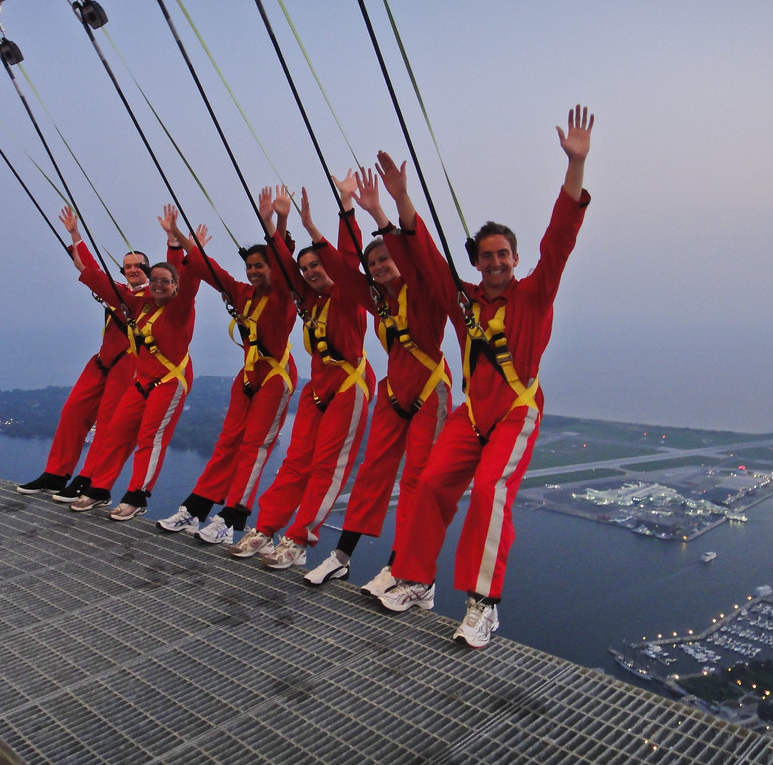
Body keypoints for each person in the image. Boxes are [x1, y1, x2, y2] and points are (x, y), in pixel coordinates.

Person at [377, 105, 594, 649]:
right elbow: (424, 257)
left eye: (503, 254)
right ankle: (416, 581)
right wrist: (401, 199)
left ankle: (482, 604)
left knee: (489, 492)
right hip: (473, 413)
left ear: (515, 258)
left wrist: (575, 167)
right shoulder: (464, 300)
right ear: (476, 263)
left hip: (516, 411)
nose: (496, 262)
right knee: (429, 485)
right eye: (487, 256)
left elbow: (560, 238)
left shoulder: (535, 293)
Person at [302, 168, 451, 593]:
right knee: (372, 474)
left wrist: (382, 210)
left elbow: (418, 254)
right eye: (374, 263)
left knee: (417, 481)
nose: (379, 267)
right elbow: (342, 266)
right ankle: (343, 557)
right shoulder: (376, 299)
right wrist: (334, 214)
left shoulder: (421, 290)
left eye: (386, 259)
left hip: (428, 390)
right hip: (393, 391)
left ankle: (402, 566)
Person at [227, 187, 376, 570]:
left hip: (348, 383)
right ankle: (265, 527)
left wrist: (332, 215)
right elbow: (281, 263)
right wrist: (276, 223)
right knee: (295, 461)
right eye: (306, 268)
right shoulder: (306, 299)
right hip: (317, 386)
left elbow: (346, 258)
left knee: (327, 466)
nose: (310, 272)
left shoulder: (347, 294)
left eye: (317, 266)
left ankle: (299, 538)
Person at [155, 187, 298, 545]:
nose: (253, 272)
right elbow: (208, 267)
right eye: (249, 267)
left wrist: (276, 221)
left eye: (259, 266)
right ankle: (197, 507)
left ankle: (233, 516)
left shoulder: (282, 296)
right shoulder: (241, 292)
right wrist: (179, 236)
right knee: (228, 441)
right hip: (249, 374)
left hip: (275, 376)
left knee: (254, 446)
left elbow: (283, 265)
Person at [67, 204, 200, 521]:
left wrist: (175, 241)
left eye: (165, 281)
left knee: (149, 439)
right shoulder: (138, 303)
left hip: (169, 381)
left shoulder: (181, 308)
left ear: (175, 286)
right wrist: (75, 236)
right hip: (142, 381)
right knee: (116, 434)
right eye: (154, 280)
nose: (158, 284)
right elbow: (98, 280)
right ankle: (99, 489)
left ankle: (137, 497)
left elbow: (189, 274)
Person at [15, 236, 149, 498]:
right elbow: (99, 277)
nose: (132, 270)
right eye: (127, 266)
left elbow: (99, 279)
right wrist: (76, 238)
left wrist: (81, 258)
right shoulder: (121, 291)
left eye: (138, 265)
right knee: (73, 413)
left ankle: (89, 478)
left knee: (108, 425)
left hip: (128, 363)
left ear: (148, 269)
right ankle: (56, 473)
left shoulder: (147, 297)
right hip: (103, 360)